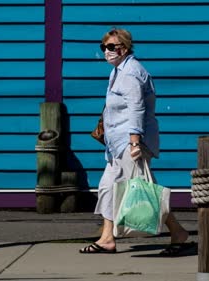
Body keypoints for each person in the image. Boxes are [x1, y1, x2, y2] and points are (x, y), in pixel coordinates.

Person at [79, 28, 192, 256]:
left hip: (130, 143)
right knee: (107, 187)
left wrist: (134, 142)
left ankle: (178, 231)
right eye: (104, 47)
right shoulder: (118, 71)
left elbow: (136, 109)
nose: (107, 52)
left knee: (144, 190)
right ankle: (107, 238)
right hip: (116, 143)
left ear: (125, 47)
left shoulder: (131, 72)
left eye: (112, 47)